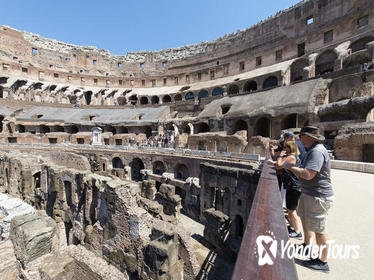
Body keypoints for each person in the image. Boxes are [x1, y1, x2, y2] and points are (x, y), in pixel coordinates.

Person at [284, 126, 334, 273]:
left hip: (318, 196)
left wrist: (290, 167)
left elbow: (308, 174)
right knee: (305, 220)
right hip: (309, 194)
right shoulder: (312, 150)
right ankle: (306, 245)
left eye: (302, 136)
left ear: (310, 137)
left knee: (320, 229)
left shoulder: (317, 152)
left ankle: (322, 262)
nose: (300, 139)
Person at [274, 141, 303, 240]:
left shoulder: (291, 157)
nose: (284, 148)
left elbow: (278, 165)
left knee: (291, 211)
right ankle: (292, 227)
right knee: (290, 209)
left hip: (293, 187)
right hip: (290, 186)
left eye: (286, 147)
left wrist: (280, 156)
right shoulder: (290, 156)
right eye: (284, 146)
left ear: (292, 148)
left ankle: (297, 232)